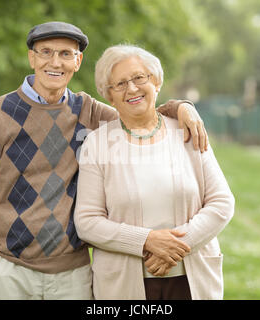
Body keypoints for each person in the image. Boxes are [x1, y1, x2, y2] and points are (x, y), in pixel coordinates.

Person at [0, 22, 208, 300]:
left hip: (73, 273)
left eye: (66, 54)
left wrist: (181, 107)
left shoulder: (87, 110)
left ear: (78, 61)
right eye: (46, 52)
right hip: (10, 270)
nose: (55, 62)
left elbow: (140, 109)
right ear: (32, 58)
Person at [74, 44, 235, 300]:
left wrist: (178, 247)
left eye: (139, 77)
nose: (132, 88)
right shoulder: (97, 143)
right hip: (124, 285)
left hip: (192, 281)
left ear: (156, 81)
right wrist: (146, 241)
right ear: (109, 96)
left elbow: (222, 203)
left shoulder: (188, 130)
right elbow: (87, 222)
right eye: (120, 84)